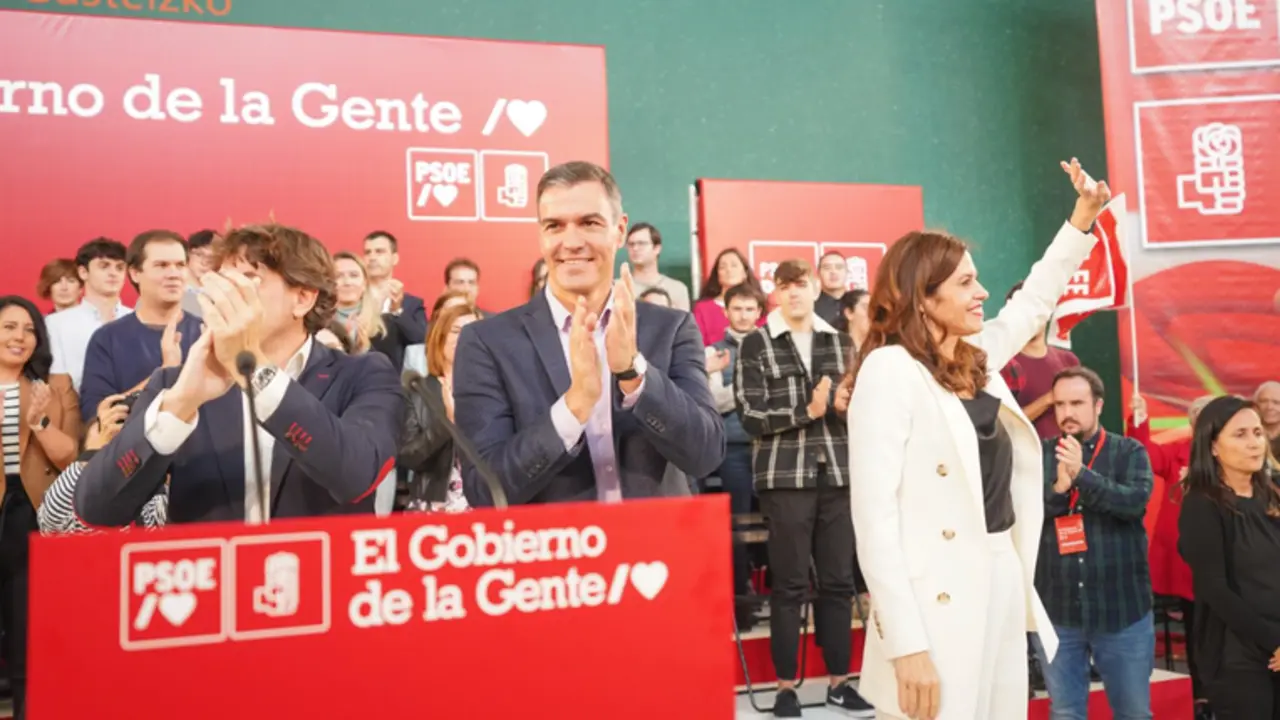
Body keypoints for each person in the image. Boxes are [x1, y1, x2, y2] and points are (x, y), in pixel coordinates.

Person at [846, 158, 1110, 720]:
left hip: (1001, 570)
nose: (982, 292)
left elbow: (1034, 300)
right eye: (966, 282)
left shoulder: (977, 359)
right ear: (923, 296)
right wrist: (906, 643)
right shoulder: (889, 370)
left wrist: (1082, 217)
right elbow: (874, 521)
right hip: (932, 595)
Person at [73, 223, 405, 526]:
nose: (224, 296)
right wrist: (181, 404)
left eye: (247, 280)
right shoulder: (176, 385)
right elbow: (97, 508)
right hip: (213, 583)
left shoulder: (362, 374)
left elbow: (357, 475)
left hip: (320, 581)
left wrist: (255, 371)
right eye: (220, 282)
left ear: (302, 298)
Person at [452, 160, 724, 505]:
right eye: (554, 226)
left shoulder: (672, 329)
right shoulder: (486, 343)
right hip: (556, 553)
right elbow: (485, 491)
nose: (571, 242)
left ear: (620, 229)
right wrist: (575, 403)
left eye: (589, 223)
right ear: (540, 235)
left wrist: (633, 374)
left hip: (659, 552)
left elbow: (706, 455)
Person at [735, 260, 873, 717]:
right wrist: (807, 409)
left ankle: (839, 681)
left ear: (815, 288)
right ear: (774, 292)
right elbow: (750, 417)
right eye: (784, 286)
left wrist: (838, 406)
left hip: (837, 473)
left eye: (801, 284)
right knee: (789, 585)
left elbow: (854, 407)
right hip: (783, 478)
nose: (793, 293)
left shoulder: (839, 341)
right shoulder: (756, 343)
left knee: (837, 583)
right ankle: (784, 689)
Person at [1035, 366, 1154, 720]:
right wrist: (1059, 488)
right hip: (1058, 612)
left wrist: (1082, 476)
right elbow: (1021, 515)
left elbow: (1133, 503)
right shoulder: (1038, 453)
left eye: (1076, 402)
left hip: (1122, 611)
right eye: (1059, 404)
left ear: (1098, 405)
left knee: (1133, 713)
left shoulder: (1128, 451)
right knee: (1066, 712)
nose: (1067, 413)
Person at [0, 295, 81, 719]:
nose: (20, 337)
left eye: (29, 329)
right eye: (10, 327)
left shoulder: (57, 386)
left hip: (32, 513)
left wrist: (39, 423)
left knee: (26, 628)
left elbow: (71, 456)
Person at [1178, 395, 1279, 719]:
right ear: (1212, 446)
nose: (1254, 443)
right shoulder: (1202, 505)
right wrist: (1274, 642)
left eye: (1257, 433)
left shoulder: (1272, 493)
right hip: (1238, 653)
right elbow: (1215, 589)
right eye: (1240, 435)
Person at [78, 230, 203, 421]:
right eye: (161, 265)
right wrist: (164, 374)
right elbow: (98, 416)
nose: (174, 274)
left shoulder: (207, 333)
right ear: (135, 273)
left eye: (180, 265)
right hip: (136, 450)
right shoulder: (107, 339)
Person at [400, 302, 479, 512]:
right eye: (456, 331)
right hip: (434, 506)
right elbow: (409, 456)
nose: (465, 337)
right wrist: (448, 422)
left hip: (484, 504)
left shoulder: (494, 390)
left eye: (473, 331)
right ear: (440, 338)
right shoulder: (419, 391)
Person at [46, 237, 131, 392]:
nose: (113, 273)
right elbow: (57, 386)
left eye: (119, 268)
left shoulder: (138, 319)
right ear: (83, 272)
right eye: (104, 266)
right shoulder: (55, 324)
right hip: (79, 411)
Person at [626, 223, 691, 311]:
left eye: (641, 243)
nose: (635, 248)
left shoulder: (677, 289)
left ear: (657, 248)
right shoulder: (617, 289)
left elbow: (683, 324)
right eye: (631, 244)